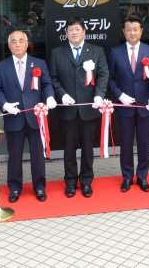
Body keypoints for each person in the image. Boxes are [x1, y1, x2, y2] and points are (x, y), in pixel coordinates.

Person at [0, 31, 57, 203]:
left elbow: (47, 84)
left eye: (21, 41)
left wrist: (49, 97)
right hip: (14, 117)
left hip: (35, 117)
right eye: (14, 41)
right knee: (14, 155)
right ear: (9, 45)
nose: (18, 44)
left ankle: (40, 187)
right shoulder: (1, 67)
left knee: (37, 155)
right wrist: (4, 105)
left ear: (27, 44)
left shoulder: (39, 63)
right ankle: (14, 187)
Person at [49, 16, 109, 198]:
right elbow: (52, 78)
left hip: (89, 109)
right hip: (67, 110)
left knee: (88, 149)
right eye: (70, 29)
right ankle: (70, 182)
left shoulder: (96, 51)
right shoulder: (57, 52)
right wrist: (62, 95)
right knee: (68, 148)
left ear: (84, 31)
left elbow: (103, 75)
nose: (74, 32)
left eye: (77, 29)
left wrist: (99, 95)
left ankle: (86, 181)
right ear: (66, 33)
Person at [107, 15, 149, 192]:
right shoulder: (116, 52)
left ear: (141, 31)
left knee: (144, 143)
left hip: (145, 105)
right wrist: (119, 95)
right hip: (125, 106)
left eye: (135, 29)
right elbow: (109, 79)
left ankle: (143, 176)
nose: (132, 32)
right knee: (127, 143)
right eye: (128, 29)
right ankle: (127, 177)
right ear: (123, 31)